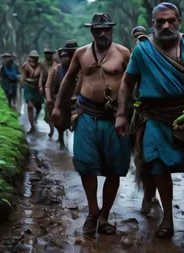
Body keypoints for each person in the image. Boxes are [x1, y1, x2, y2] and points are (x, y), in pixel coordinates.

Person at [115, 2, 184, 238]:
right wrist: (122, 114)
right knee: (157, 165)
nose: (166, 25)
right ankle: (167, 217)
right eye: (160, 21)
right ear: (153, 23)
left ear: (179, 21)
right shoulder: (143, 50)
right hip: (155, 117)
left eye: (170, 20)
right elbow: (127, 81)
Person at [52, 13, 131, 236]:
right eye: (98, 29)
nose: (102, 33)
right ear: (91, 31)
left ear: (112, 30)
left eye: (106, 29)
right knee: (86, 165)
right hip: (86, 114)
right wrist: (58, 106)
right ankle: (93, 211)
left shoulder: (124, 53)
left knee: (114, 169)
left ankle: (105, 215)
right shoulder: (81, 53)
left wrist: (127, 112)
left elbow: (133, 81)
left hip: (115, 116)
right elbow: (68, 79)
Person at [129, 26, 162, 215]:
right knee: (141, 154)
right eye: (136, 38)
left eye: (142, 37)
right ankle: (148, 195)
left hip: (160, 108)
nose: (139, 40)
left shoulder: (158, 52)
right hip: (140, 110)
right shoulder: (132, 55)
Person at [45, 39, 80, 147]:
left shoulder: (80, 69)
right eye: (63, 56)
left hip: (75, 103)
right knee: (60, 124)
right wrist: (49, 99)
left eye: (68, 56)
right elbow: (48, 85)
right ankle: (61, 142)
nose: (66, 58)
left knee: (76, 124)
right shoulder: (55, 69)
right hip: (60, 102)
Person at [21, 50, 45, 133]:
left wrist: (40, 85)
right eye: (32, 57)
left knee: (39, 107)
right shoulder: (25, 65)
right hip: (28, 88)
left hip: (37, 89)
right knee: (30, 106)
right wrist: (28, 81)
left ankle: (36, 117)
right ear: (29, 58)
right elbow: (23, 78)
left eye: (35, 58)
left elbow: (41, 77)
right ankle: (32, 127)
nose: (34, 59)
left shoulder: (40, 66)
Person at [40, 45, 58, 137]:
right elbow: (40, 76)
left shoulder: (56, 64)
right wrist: (40, 86)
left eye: (48, 53)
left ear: (51, 54)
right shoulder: (42, 64)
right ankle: (51, 129)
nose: (47, 54)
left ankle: (61, 131)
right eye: (45, 53)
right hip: (46, 90)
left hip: (56, 89)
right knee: (48, 110)